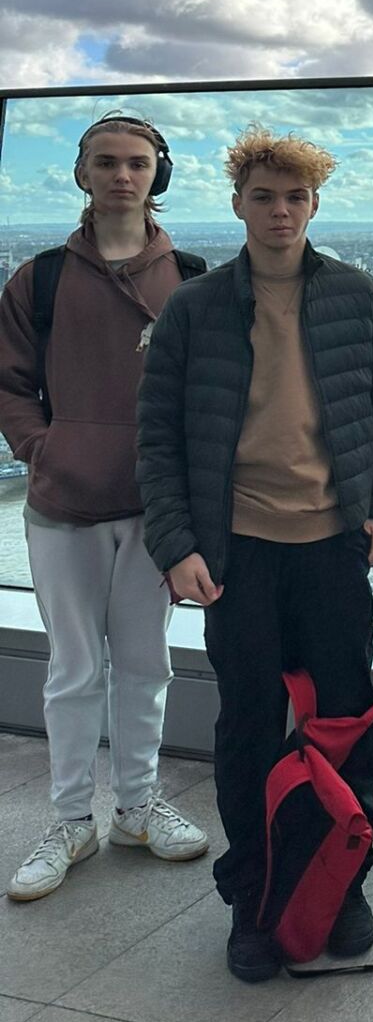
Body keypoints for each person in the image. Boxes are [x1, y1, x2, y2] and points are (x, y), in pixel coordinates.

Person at [137, 125, 373, 981]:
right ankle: (252, 899)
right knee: (248, 729)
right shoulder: (195, 306)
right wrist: (176, 545)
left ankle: (342, 881)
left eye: (295, 196)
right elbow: (159, 440)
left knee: (345, 725)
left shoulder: (357, 296)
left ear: (314, 203)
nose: (280, 210)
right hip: (238, 551)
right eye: (264, 196)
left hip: (331, 549)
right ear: (238, 203)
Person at [0, 113, 209, 901]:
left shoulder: (188, 277)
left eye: (137, 163)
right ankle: (68, 821)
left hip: (153, 509)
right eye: (107, 163)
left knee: (147, 664)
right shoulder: (40, 278)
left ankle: (135, 805)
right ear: (83, 174)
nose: (123, 176)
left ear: (159, 174)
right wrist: (42, 450)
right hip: (62, 502)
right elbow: (9, 382)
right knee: (74, 668)